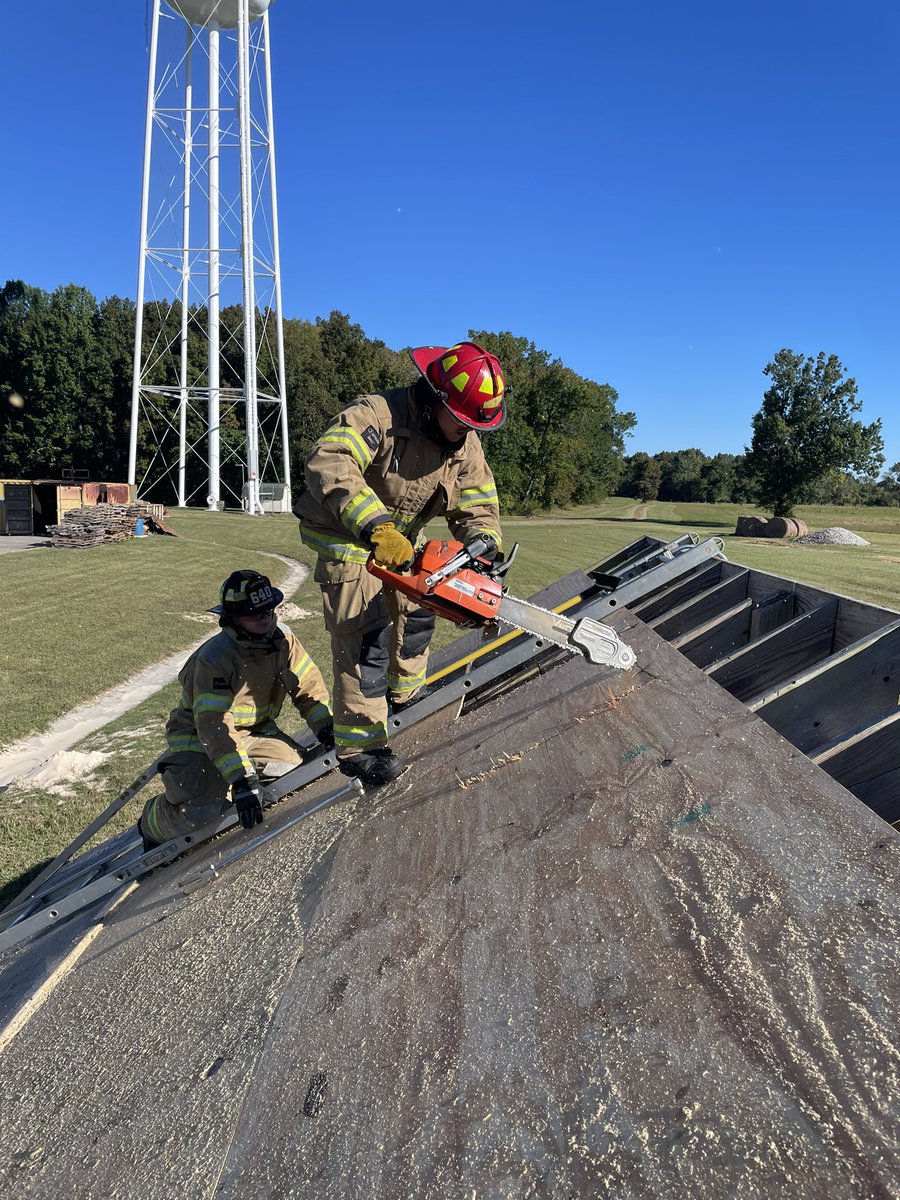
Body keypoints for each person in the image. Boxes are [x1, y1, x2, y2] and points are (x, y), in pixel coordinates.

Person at [294, 340, 506, 787]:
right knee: (366, 640)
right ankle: (360, 746)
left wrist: (484, 543)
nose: (466, 432)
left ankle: (406, 692)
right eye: (461, 420)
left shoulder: (464, 443)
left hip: (406, 540)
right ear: (435, 398)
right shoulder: (378, 415)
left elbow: (478, 501)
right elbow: (329, 461)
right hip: (348, 538)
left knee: (419, 615)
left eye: (474, 425)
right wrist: (375, 527)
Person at [139, 569, 333, 847]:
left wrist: (325, 727)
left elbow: (307, 688)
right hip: (198, 738)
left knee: (289, 767)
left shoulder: (283, 641)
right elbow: (214, 723)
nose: (265, 618)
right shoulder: (214, 658)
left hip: (253, 731)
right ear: (233, 618)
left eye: (268, 610)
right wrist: (242, 781)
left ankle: (232, 780)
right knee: (202, 813)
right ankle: (151, 821)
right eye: (255, 613)